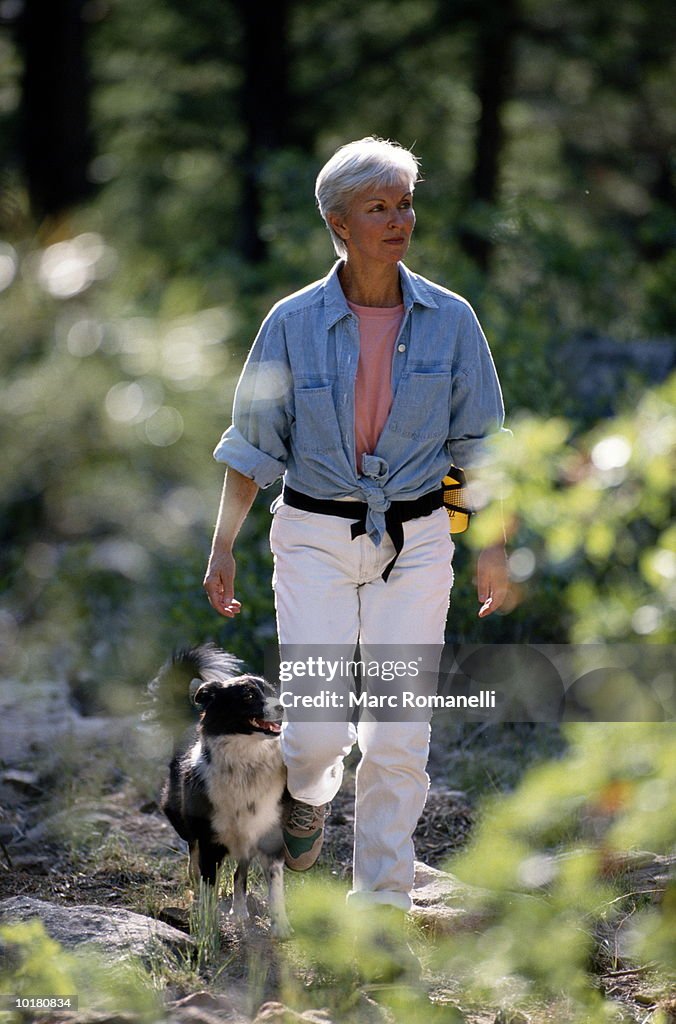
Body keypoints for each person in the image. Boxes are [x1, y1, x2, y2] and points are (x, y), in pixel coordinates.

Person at [204, 137, 509, 914]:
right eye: (379, 207)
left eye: (405, 203)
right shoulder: (292, 322)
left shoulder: (452, 320)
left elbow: (482, 449)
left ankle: (381, 904)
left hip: (419, 538)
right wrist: (222, 548)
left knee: (400, 733)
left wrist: (493, 550)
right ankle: (307, 794)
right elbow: (252, 444)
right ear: (340, 223)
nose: (400, 219)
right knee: (312, 732)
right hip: (312, 536)